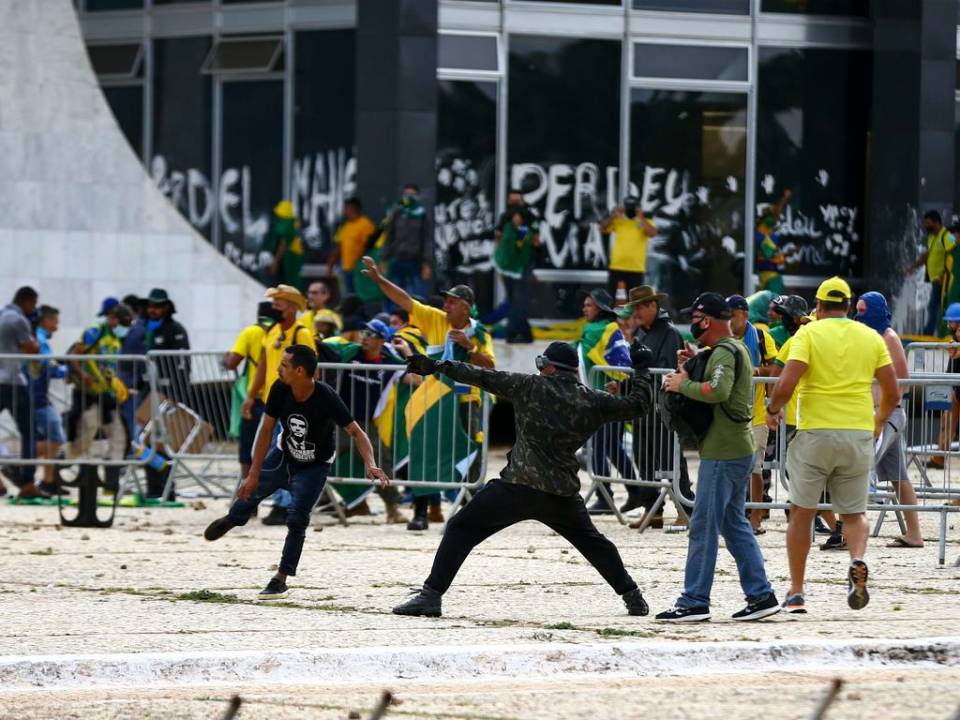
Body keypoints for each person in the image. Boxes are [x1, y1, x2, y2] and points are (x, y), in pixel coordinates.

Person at [391, 340, 655, 618]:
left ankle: (431, 596)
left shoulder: (529, 386)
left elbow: (481, 376)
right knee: (595, 544)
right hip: (561, 493)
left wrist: (437, 366)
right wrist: (642, 369)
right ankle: (632, 596)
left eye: (542, 364)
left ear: (549, 367)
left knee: (459, 528)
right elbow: (638, 405)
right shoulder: (592, 400)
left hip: (518, 486)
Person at [204, 344, 390, 599]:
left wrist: (370, 463)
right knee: (247, 496)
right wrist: (253, 473)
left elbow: (357, 432)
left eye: (283, 366)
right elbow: (266, 430)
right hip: (283, 456)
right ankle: (233, 519)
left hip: (315, 465)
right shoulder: (280, 389)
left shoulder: (326, 396)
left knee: (297, 519)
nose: (278, 369)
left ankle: (280, 578)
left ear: (300, 371)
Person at [766, 277, 899, 615]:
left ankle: (796, 592)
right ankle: (857, 559)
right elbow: (893, 391)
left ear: (820, 307)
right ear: (850, 306)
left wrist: (772, 410)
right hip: (857, 432)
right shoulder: (870, 337)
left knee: (802, 512)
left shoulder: (808, 334)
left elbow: (785, 383)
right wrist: (879, 421)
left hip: (815, 433)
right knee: (854, 514)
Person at [656, 293, 778, 623]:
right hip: (732, 449)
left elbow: (719, 390)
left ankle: (694, 600)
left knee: (703, 525)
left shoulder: (725, 350)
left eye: (695, 318)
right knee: (734, 524)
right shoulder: (728, 349)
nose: (692, 324)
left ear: (706, 320)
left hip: (723, 453)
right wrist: (693, 363)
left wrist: (682, 386)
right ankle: (761, 594)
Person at [361, 255, 493, 480]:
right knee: (426, 446)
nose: (445, 306)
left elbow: (490, 366)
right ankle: (426, 507)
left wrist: (469, 346)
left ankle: (471, 497)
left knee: (471, 447)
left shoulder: (479, 333)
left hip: (466, 398)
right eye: (446, 301)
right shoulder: (435, 318)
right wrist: (379, 280)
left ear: (465, 308)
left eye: (452, 302)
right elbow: (405, 300)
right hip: (435, 397)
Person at [619, 286, 692, 529]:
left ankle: (686, 509)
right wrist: (622, 387)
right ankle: (653, 510)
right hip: (642, 408)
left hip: (662, 408)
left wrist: (638, 382)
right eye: (634, 308)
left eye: (640, 306)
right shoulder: (641, 333)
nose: (636, 312)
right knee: (644, 461)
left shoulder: (669, 333)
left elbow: (664, 369)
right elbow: (638, 369)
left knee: (671, 460)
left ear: (653, 306)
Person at [854, 292, 923, 548]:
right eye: (857, 310)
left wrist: (881, 406)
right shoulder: (870, 337)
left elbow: (902, 380)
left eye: (863, 310)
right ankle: (914, 534)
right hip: (879, 413)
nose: (859, 315)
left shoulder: (888, 337)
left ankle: (848, 529)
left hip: (888, 414)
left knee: (860, 467)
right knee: (899, 477)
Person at [322, 319, 407, 524]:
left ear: (381, 340)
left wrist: (406, 352)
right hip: (340, 420)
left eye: (370, 334)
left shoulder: (389, 360)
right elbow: (326, 349)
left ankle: (392, 508)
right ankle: (350, 502)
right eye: (363, 332)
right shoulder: (352, 351)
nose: (364, 338)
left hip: (366, 423)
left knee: (380, 463)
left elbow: (411, 372)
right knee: (321, 459)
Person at [242, 285, 314, 525]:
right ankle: (279, 502)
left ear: (292, 306)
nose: (273, 306)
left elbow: (312, 369)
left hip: (293, 402)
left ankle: (285, 505)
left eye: (278, 302)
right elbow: (263, 364)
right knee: (265, 453)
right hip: (272, 401)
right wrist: (251, 395)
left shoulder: (301, 333)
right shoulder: (271, 330)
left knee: (284, 455)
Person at [575, 289, 635, 514]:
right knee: (611, 448)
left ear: (599, 308)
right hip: (602, 399)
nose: (584, 309)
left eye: (589, 305)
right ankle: (637, 491)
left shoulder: (606, 330)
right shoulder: (601, 329)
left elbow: (622, 364)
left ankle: (605, 496)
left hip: (608, 400)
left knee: (599, 447)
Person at [65, 303, 134, 493]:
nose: (125, 329)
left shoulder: (116, 340)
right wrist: (83, 376)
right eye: (123, 323)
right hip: (87, 394)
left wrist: (115, 383)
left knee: (119, 437)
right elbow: (73, 356)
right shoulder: (95, 332)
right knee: (84, 439)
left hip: (106, 396)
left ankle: (111, 486)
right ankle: (58, 467)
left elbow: (107, 365)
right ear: (112, 318)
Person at [727, 294, 778, 534]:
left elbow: (776, 369)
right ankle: (733, 513)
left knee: (755, 468)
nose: (729, 320)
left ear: (744, 315)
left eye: (733, 315)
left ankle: (756, 515)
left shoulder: (760, 336)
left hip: (756, 412)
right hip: (729, 413)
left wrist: (757, 370)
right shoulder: (723, 338)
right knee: (729, 465)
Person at [224, 301, 281, 483]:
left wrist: (225, 359)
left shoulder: (251, 332)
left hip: (256, 399)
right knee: (275, 447)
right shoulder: (279, 332)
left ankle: (249, 494)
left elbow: (232, 362)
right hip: (279, 397)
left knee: (249, 447)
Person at [0, 286, 43, 498]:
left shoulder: (1, 315)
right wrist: (34, 332)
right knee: (29, 432)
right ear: (27, 301)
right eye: (33, 305)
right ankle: (27, 483)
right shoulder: (18, 320)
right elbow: (32, 348)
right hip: (13, 382)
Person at [493, 189, 541, 343]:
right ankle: (524, 333)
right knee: (514, 300)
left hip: (524, 265)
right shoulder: (504, 218)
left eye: (517, 202)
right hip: (507, 265)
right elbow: (498, 238)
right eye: (511, 202)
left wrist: (522, 232)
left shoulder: (530, 218)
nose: (515, 207)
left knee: (520, 299)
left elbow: (535, 240)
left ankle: (513, 332)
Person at [29, 305, 67, 494]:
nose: (57, 327)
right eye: (55, 322)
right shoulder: (39, 338)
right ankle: (15, 460)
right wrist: (67, 371)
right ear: (46, 320)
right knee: (56, 438)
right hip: (36, 396)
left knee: (51, 438)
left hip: (37, 395)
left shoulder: (37, 337)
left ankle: (48, 480)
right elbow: (46, 365)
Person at [908, 210, 956, 336]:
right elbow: (928, 255)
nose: (926, 226)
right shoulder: (932, 237)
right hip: (936, 280)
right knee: (935, 307)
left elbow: (952, 256)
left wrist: (944, 274)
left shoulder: (946, 237)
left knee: (935, 307)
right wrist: (913, 267)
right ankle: (936, 332)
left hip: (944, 280)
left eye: (928, 223)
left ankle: (931, 333)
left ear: (937, 222)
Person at [381, 184, 432, 301]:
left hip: (415, 261)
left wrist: (426, 263)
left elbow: (427, 240)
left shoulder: (422, 215)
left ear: (418, 196)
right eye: (406, 194)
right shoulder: (397, 212)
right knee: (393, 294)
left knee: (417, 296)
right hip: (397, 259)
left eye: (412, 195)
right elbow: (389, 236)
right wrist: (384, 259)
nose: (409, 197)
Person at [602, 196, 658, 295]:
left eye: (633, 207)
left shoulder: (645, 222)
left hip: (636, 267)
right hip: (617, 265)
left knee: (633, 301)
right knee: (609, 298)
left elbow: (652, 233)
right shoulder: (618, 220)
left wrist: (641, 218)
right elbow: (602, 228)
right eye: (629, 207)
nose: (631, 210)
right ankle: (608, 311)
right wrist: (613, 215)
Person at [327, 198, 377, 295]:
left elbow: (370, 247)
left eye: (346, 208)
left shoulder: (366, 224)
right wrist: (330, 265)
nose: (344, 211)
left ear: (353, 208)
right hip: (345, 268)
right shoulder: (345, 225)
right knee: (347, 296)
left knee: (359, 296)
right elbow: (339, 246)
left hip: (359, 269)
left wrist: (363, 264)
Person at [755, 189, 791, 294]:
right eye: (773, 216)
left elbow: (773, 254)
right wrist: (784, 199)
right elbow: (768, 253)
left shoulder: (769, 233)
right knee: (774, 303)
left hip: (768, 274)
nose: (777, 217)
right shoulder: (761, 233)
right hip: (769, 276)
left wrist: (788, 254)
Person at [265, 200, 305, 290]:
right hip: (295, 259)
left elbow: (283, 244)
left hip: (286, 260)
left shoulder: (285, 224)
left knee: (283, 287)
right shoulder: (295, 223)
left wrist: (275, 262)